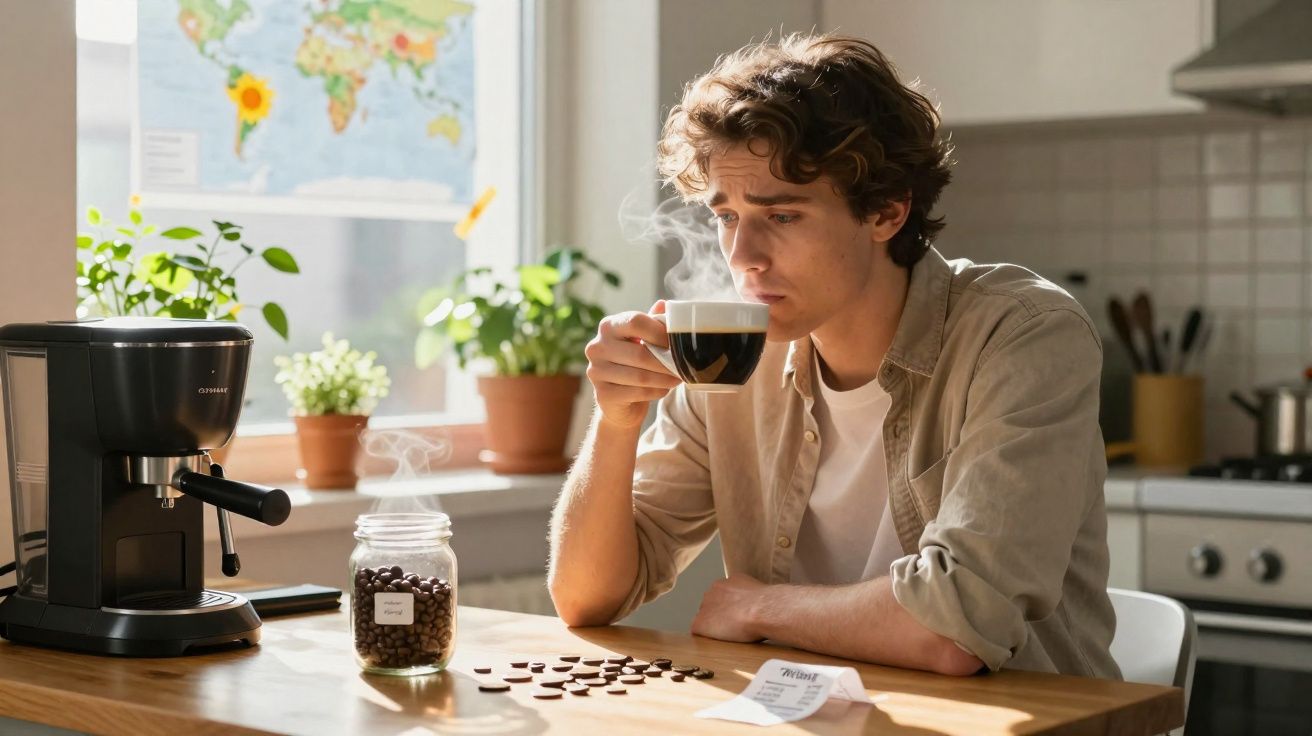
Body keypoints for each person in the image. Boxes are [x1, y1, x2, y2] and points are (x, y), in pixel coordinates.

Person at [547, 32, 1119, 679]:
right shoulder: (738, 354)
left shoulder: (1021, 332)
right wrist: (616, 421)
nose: (743, 257)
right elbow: (587, 598)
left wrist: (760, 608)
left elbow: (958, 630)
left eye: (781, 216)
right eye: (727, 216)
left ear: (886, 211)